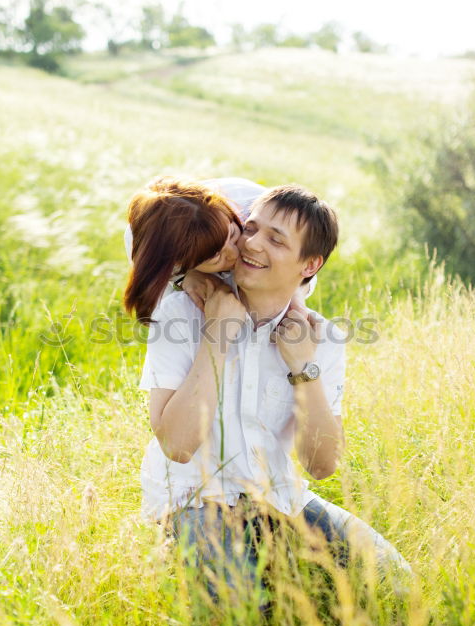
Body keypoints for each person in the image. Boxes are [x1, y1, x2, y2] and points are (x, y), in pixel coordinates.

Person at [136, 183, 413, 602]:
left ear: (310, 265)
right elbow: (176, 446)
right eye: (250, 228)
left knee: (395, 579)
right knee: (243, 609)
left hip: (280, 498)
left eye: (275, 240)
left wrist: (303, 367)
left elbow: (321, 464)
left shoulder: (321, 337)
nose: (251, 245)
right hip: (193, 501)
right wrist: (217, 338)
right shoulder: (180, 311)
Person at [123, 177, 315, 323]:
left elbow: (302, 258)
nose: (235, 252)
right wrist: (182, 278)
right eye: (217, 257)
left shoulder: (257, 207)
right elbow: (155, 307)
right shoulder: (146, 244)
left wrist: (296, 297)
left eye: (232, 235)